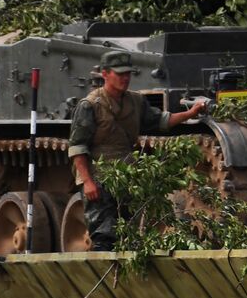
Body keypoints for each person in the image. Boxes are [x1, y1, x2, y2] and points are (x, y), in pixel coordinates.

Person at [69, 49, 208, 250]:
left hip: (127, 176)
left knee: (129, 234)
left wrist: (190, 113)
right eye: (120, 74)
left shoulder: (135, 101)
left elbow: (161, 120)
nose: (125, 78)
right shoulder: (90, 105)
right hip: (100, 177)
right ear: (105, 73)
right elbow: (78, 147)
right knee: (104, 236)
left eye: (128, 74)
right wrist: (88, 181)